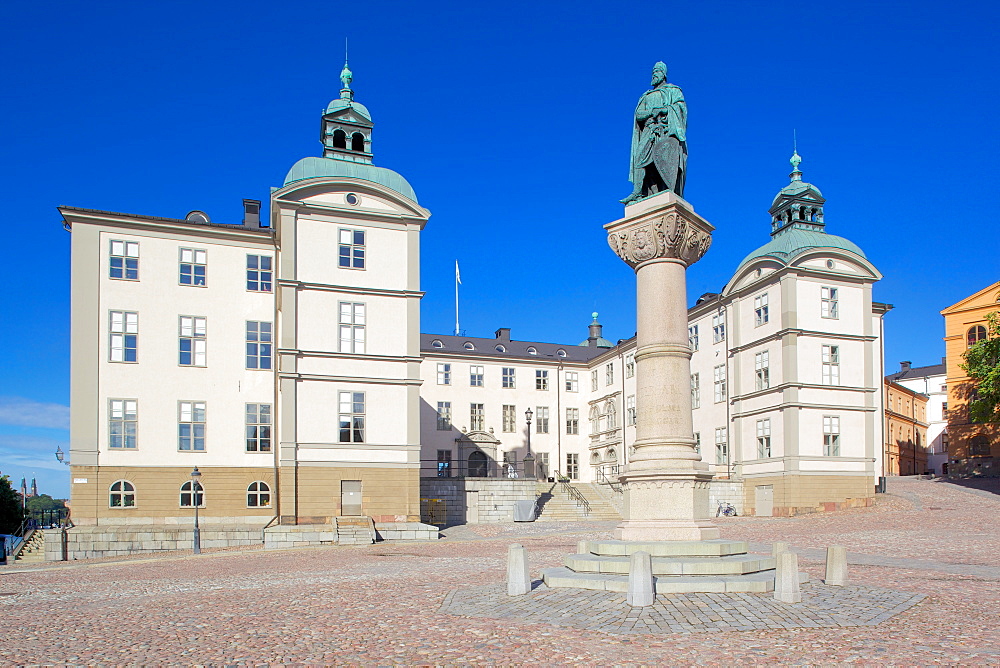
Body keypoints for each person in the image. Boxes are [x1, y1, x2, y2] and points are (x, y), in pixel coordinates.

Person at [622, 61, 688, 204]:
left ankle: (666, 189)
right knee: (640, 158)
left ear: (663, 74)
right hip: (648, 130)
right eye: (653, 72)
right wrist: (652, 112)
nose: (653, 75)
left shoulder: (673, 91)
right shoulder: (646, 96)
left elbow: (681, 109)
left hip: (665, 131)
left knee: (662, 158)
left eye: (656, 72)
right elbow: (639, 114)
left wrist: (665, 110)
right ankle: (637, 192)